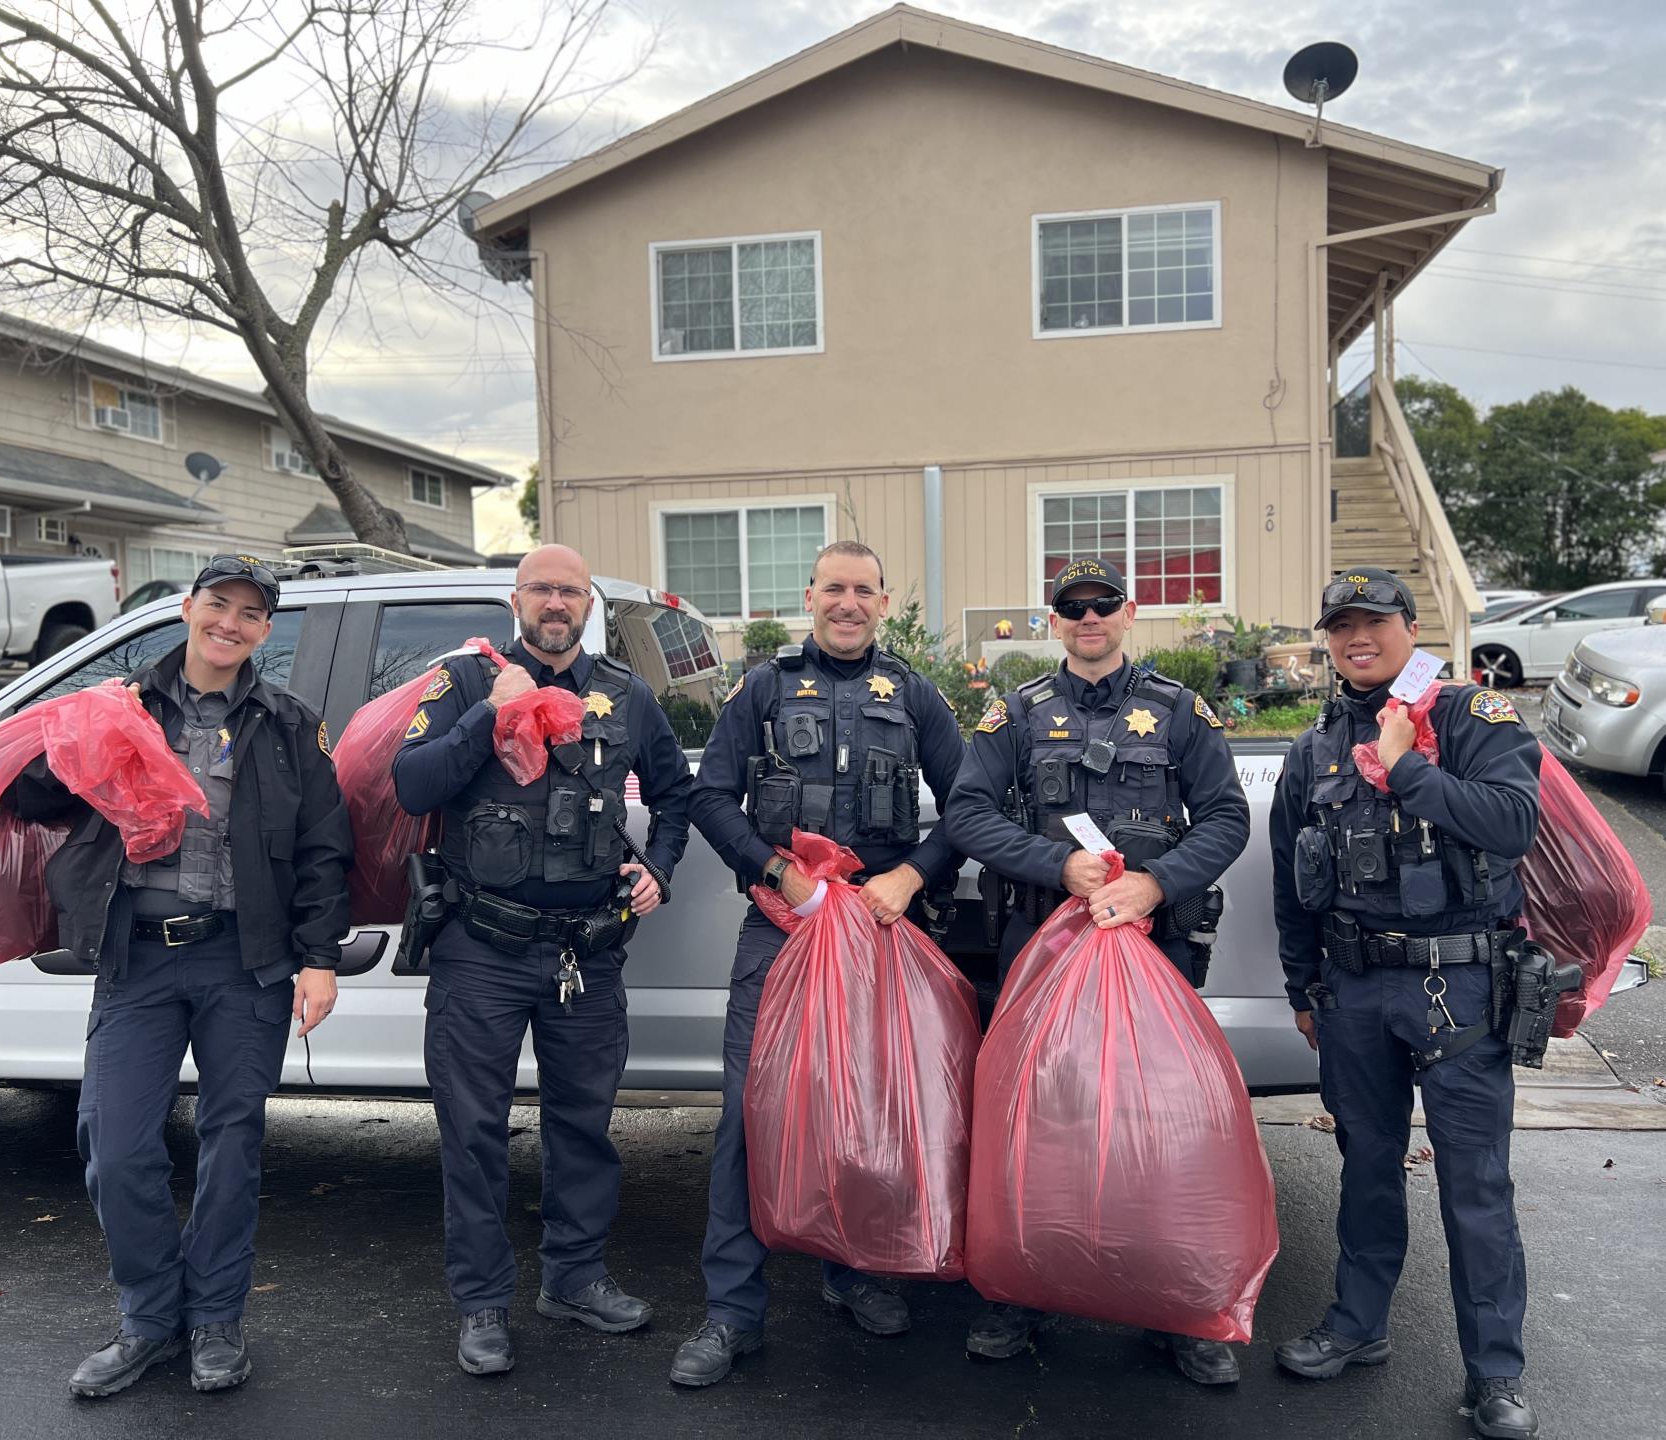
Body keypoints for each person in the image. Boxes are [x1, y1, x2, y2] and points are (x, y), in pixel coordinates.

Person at [7, 555, 352, 1398]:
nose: (229, 624)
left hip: (247, 963)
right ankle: (149, 1320)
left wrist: (317, 959)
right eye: (218, 605)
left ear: (266, 631)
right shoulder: (124, 703)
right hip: (139, 959)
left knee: (233, 1149)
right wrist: (78, 739)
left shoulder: (289, 722)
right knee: (115, 1147)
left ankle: (215, 1320)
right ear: (188, 610)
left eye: (249, 614)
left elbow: (323, 849)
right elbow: (36, 799)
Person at [940, 556, 1250, 1384]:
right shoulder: (1017, 714)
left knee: (1159, 1128)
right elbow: (967, 811)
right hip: (1042, 950)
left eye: (1101, 604)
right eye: (1071, 607)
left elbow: (1225, 816)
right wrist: (1052, 863)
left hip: (1153, 952)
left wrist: (1159, 881)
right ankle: (1019, 1293)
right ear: (1053, 620)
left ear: (1129, 613)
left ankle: (1179, 1307)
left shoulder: (1181, 713)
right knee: (1039, 1122)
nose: (1087, 618)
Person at [669, 540, 967, 1388]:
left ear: (883, 601)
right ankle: (732, 1313)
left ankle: (856, 1271)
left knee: (865, 1117)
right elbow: (709, 796)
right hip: (782, 930)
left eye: (863, 590)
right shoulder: (761, 687)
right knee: (748, 1118)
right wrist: (776, 873)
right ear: (811, 597)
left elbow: (970, 804)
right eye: (833, 588)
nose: (847, 602)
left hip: (876, 933)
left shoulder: (913, 695)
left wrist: (911, 876)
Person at [391, 543, 691, 1377]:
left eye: (570, 590)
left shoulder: (626, 696)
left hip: (586, 953)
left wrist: (658, 867)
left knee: (584, 1128)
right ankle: (483, 1303)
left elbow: (677, 797)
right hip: (480, 950)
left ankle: (575, 1278)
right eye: (542, 589)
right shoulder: (463, 683)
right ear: (516, 599)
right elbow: (412, 785)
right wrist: (492, 713)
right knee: (475, 1132)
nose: (555, 603)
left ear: (586, 602)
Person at [1268, 569, 1541, 1440]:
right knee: (1366, 1167)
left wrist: (1405, 767)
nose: (1356, 638)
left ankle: (1494, 1373)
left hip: (1459, 983)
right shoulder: (1313, 747)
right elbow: (1291, 877)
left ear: (1409, 628)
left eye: (1373, 623)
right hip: (1352, 987)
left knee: (1475, 1185)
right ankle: (1358, 1325)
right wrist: (1299, 982)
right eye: (1340, 626)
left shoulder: (1470, 717)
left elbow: (1510, 823)